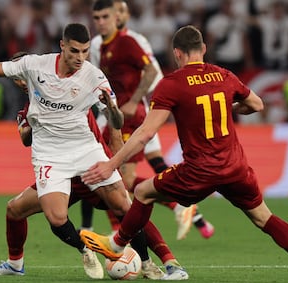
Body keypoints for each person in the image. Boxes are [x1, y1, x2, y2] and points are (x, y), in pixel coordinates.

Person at [79, 25, 288, 283]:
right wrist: (228, 105)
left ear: (177, 53)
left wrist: (112, 163)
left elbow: (145, 133)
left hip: (200, 171)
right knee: (264, 217)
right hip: (235, 168)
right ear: (203, 49)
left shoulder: (172, 84)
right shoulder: (223, 75)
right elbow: (257, 104)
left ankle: (118, 244)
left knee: (143, 192)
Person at [0, 27, 185, 280]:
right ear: (62, 46)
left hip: (88, 156)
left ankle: (159, 262)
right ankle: (47, 257)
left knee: (126, 207)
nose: (80, 57)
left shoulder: (93, 77)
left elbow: (114, 119)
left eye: (84, 51)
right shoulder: (32, 90)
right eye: (75, 51)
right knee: (33, 213)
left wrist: (114, 131)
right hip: (53, 160)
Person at [89, 0, 214, 241]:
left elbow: (153, 72)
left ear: (118, 16)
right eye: (98, 18)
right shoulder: (99, 46)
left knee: (122, 176)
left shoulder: (131, 41)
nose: (102, 22)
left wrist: (137, 100)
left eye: (108, 16)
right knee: (109, 172)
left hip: (135, 116)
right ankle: (129, 225)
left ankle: (178, 207)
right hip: (116, 116)